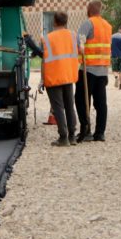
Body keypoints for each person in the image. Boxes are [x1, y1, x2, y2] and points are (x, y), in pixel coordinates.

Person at [75, 0, 112, 142]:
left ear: (89, 10)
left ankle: (85, 129)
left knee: (81, 100)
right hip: (102, 69)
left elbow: (79, 43)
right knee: (101, 102)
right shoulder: (107, 26)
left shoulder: (88, 23)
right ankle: (100, 132)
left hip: (88, 69)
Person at [41, 12, 79, 146]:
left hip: (53, 76)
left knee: (58, 108)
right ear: (66, 22)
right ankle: (72, 136)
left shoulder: (47, 38)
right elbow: (80, 51)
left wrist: (42, 79)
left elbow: (44, 60)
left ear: (54, 22)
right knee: (69, 105)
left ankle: (63, 137)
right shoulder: (73, 36)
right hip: (69, 75)